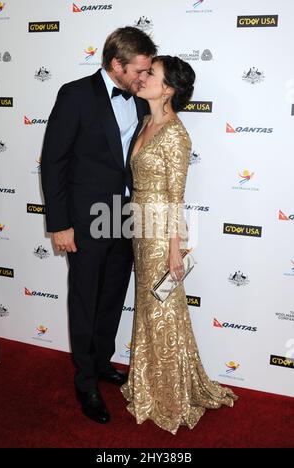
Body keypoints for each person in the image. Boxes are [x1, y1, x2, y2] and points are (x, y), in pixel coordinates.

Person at [41, 27, 157, 424]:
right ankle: (85, 380)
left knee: (111, 294)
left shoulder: (140, 100)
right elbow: (54, 162)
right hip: (85, 219)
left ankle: (103, 361)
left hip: (124, 216)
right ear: (116, 64)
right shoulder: (75, 95)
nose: (144, 77)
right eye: (139, 70)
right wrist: (59, 224)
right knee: (85, 298)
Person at [121, 56, 238, 434]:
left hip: (160, 232)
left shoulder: (175, 134)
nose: (142, 77)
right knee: (150, 306)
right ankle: (149, 383)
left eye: (149, 73)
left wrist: (175, 250)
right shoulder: (145, 121)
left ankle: (171, 394)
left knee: (162, 308)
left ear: (168, 88)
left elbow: (176, 198)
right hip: (140, 226)